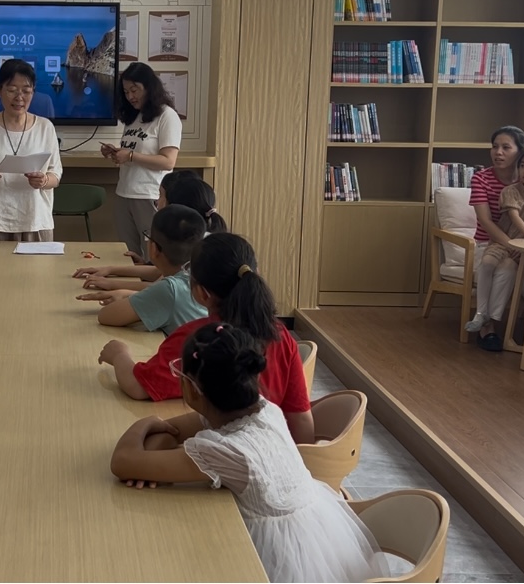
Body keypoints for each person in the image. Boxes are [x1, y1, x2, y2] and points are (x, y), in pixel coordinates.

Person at [108, 323, 388, 583]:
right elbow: (170, 433)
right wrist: (149, 461)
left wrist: (144, 424)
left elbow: (122, 461)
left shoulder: (224, 451)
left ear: (192, 390)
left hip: (274, 559)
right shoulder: (264, 409)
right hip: (312, 535)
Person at [96, 233, 315, 444]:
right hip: (270, 451)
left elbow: (138, 387)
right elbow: (301, 420)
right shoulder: (279, 334)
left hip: (224, 453)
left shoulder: (200, 339)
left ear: (202, 293)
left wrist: (119, 355)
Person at [466, 127, 524, 351]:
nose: (498, 152)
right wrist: (512, 245)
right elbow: (486, 222)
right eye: (495, 147)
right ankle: (487, 326)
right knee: (505, 268)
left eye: (506, 147)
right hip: (490, 242)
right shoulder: (481, 178)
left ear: (520, 152)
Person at [0, 58, 63, 242]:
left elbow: (55, 176)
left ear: (33, 92)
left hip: (35, 221)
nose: (19, 97)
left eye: (26, 90)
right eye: (12, 90)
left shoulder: (45, 127)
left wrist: (43, 180)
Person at [73, 174, 226, 292]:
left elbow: (159, 289)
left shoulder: (196, 247)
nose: (156, 202)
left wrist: (112, 284)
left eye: (160, 196)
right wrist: (111, 269)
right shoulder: (198, 235)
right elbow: (158, 273)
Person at [76, 204, 207, 334]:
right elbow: (156, 272)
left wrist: (131, 297)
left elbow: (106, 316)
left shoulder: (169, 290)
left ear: (154, 248)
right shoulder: (201, 270)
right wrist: (112, 271)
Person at [100, 62, 182, 263]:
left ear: (149, 87)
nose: (130, 96)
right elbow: (134, 152)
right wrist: (116, 153)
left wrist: (130, 156)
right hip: (124, 192)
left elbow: (168, 161)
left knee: (152, 256)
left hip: (149, 195)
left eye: (134, 90)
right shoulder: (134, 117)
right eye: (126, 92)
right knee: (128, 254)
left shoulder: (167, 116)